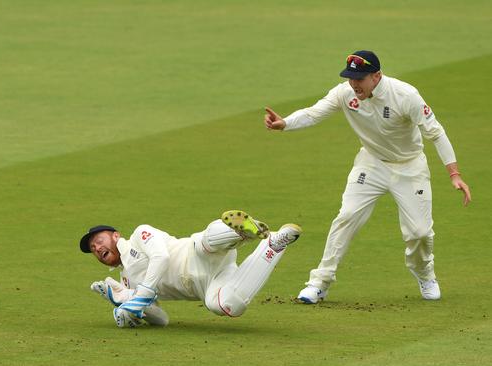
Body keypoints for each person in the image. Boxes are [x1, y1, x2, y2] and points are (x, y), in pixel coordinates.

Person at [264, 50, 471, 304]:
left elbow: (436, 133)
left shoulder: (405, 95)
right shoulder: (345, 93)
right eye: (351, 77)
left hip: (410, 167)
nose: (354, 84)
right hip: (371, 163)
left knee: (419, 232)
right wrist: (285, 123)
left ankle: (425, 274)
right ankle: (319, 283)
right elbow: (314, 113)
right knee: (347, 216)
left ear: (377, 76)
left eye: (359, 78)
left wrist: (454, 174)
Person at [80, 210, 302, 328]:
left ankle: (243, 231)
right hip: (207, 283)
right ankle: (273, 245)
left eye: (99, 240)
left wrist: (144, 292)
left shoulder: (140, 235)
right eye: (92, 248)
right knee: (226, 306)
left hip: (195, 255)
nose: (97, 248)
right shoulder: (127, 280)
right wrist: (126, 301)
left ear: (116, 235)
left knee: (207, 242)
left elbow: (161, 256)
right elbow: (162, 319)